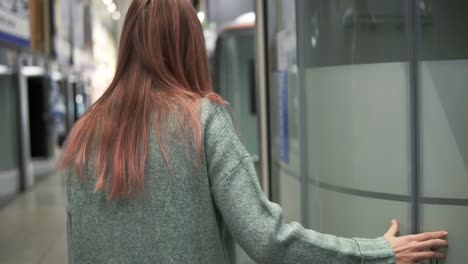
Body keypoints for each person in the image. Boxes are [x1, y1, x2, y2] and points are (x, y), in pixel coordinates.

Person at [59, 0, 448, 263]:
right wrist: (376, 252)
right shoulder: (202, 120)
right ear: (188, 47)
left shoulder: (83, 135)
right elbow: (267, 239)